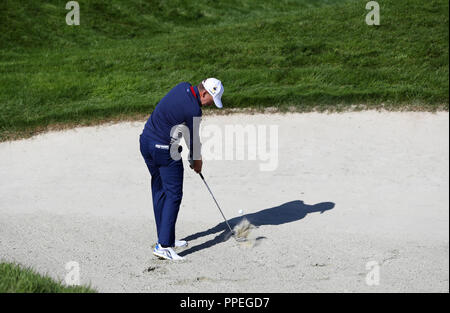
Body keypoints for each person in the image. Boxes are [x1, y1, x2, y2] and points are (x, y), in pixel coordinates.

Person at [139, 78, 224, 260]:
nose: (210, 105)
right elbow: (193, 141)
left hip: (146, 142)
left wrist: (192, 157)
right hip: (163, 150)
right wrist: (197, 162)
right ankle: (163, 245)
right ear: (204, 93)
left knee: (160, 190)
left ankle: (165, 236)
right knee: (173, 194)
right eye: (212, 100)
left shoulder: (183, 87)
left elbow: (183, 130)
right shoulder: (194, 110)